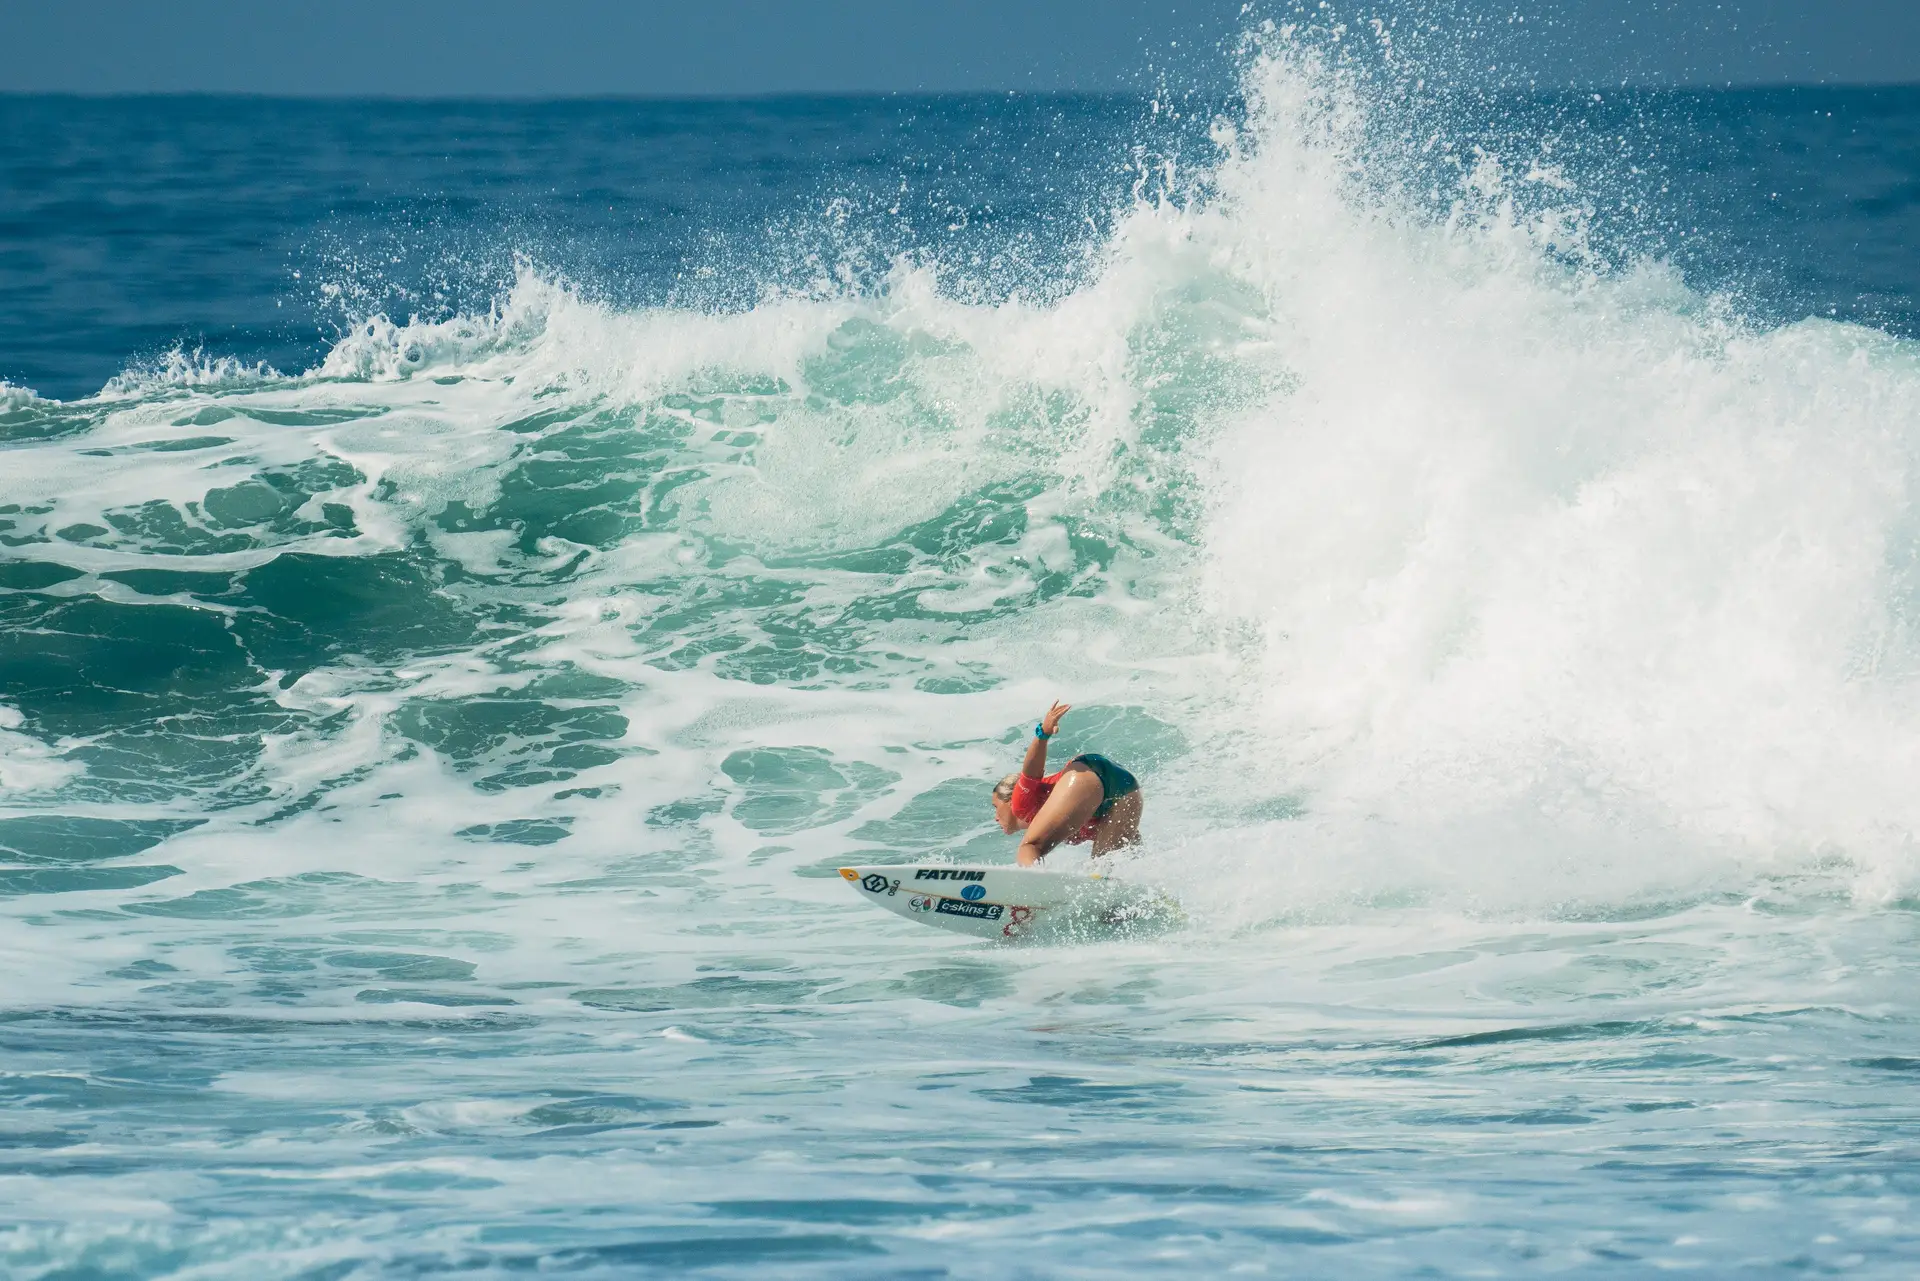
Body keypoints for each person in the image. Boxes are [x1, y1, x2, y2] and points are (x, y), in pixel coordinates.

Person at [989, 701, 1143, 866]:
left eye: (996, 807)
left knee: (1029, 846)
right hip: (1128, 790)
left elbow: (1032, 772)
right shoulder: (1064, 824)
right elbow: (1133, 839)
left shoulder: (1020, 803)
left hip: (1087, 774)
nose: (995, 818)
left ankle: (1032, 886)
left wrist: (1043, 734)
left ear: (1009, 800)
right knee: (1103, 867)